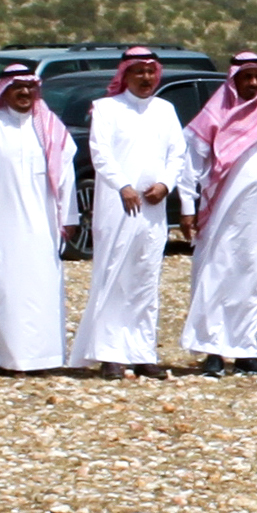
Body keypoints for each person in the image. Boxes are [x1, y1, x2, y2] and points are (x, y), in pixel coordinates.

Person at [72, 47, 188, 377]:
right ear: (126, 74)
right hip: (117, 206)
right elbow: (100, 152)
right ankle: (110, 354)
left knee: (145, 278)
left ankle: (141, 352)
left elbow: (177, 153)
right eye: (139, 72)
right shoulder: (107, 109)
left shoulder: (165, 109)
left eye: (151, 72)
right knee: (114, 274)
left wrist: (165, 184)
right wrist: (123, 185)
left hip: (153, 208)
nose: (146, 78)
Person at [0, 60, 74, 373]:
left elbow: (67, 176)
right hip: (1, 222)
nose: (24, 93)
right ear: (4, 92)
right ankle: (2, 358)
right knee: (3, 287)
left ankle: (44, 358)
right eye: (17, 88)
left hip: (42, 224)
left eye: (29, 88)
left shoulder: (50, 127)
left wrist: (70, 215)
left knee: (42, 286)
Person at [178, 53, 257, 370]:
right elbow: (190, 164)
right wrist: (186, 206)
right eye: (246, 77)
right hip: (220, 212)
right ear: (234, 79)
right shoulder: (215, 113)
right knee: (216, 274)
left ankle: (244, 349)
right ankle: (213, 350)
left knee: (249, 278)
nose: (253, 83)